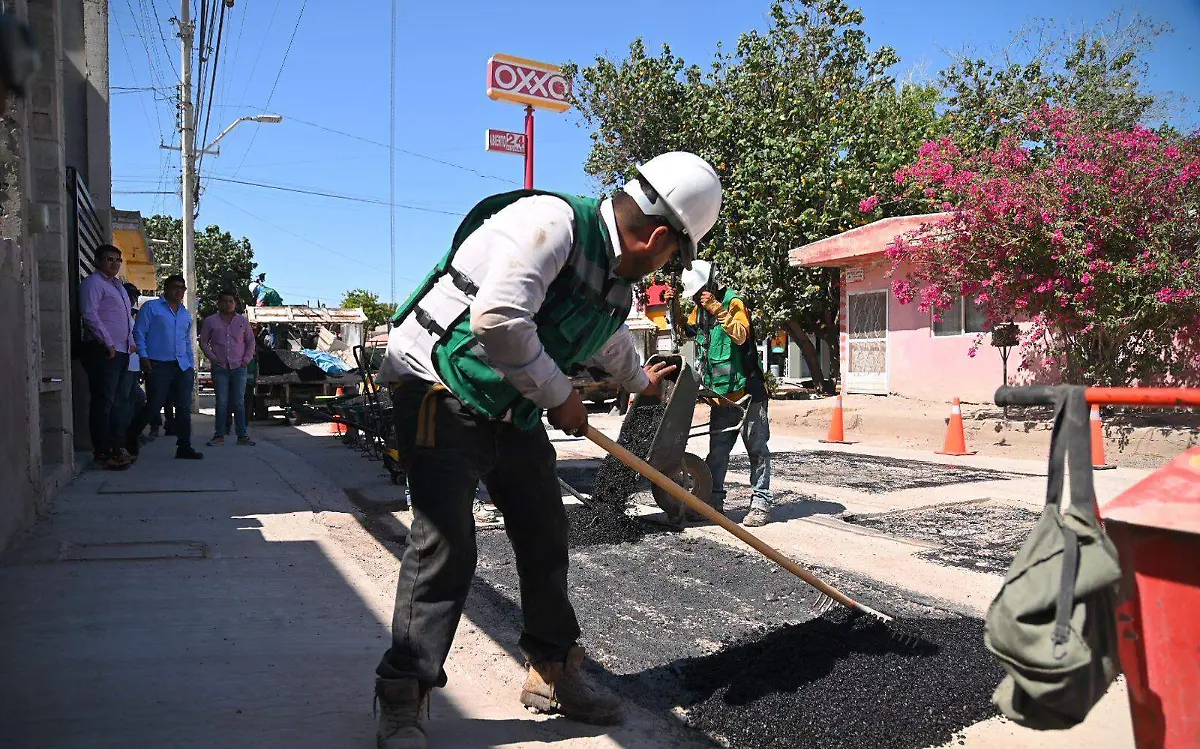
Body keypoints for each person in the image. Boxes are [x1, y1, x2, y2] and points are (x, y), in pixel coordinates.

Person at [373, 151, 722, 748]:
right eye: (673, 255)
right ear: (659, 236)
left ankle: (553, 670)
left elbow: (604, 333)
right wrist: (562, 397)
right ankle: (404, 693)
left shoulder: (614, 279)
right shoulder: (551, 225)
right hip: (437, 387)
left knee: (544, 530)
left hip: (507, 402)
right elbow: (498, 319)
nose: (666, 267)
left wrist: (641, 384)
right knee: (447, 542)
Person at [665, 260, 774, 527]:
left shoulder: (733, 302)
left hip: (746, 394)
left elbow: (740, 336)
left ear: (711, 283)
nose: (696, 298)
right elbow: (685, 332)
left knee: (757, 450)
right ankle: (714, 503)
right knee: (717, 454)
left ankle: (760, 502)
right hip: (720, 397)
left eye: (698, 292)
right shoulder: (699, 310)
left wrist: (717, 307)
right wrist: (674, 306)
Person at [134, 274, 203, 460]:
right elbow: (139, 333)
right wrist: (143, 356)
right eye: (175, 287)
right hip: (158, 365)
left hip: (182, 366)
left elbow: (186, 341)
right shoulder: (152, 308)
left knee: (184, 408)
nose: (179, 291)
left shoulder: (185, 313)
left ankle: (184, 446)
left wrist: (190, 365)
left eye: (182, 288)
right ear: (166, 288)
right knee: (154, 405)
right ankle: (129, 438)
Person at [79, 245, 135, 471]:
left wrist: (130, 342)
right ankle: (103, 451)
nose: (114, 263)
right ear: (97, 261)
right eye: (109, 259)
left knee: (118, 404)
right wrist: (108, 343)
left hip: (122, 352)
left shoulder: (118, 286)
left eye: (117, 260)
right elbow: (89, 314)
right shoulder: (93, 283)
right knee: (104, 403)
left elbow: (125, 318)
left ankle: (117, 448)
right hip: (103, 351)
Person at [199, 290, 256, 447]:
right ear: (219, 303)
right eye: (224, 301)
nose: (227, 304)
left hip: (239, 367)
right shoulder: (211, 321)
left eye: (230, 301)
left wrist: (246, 360)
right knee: (222, 402)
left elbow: (250, 342)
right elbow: (203, 341)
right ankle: (219, 436)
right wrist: (213, 358)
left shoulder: (243, 321)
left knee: (238, 401)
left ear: (235, 303)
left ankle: (242, 436)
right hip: (220, 367)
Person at [116, 282, 147, 459]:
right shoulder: (118, 315)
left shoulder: (136, 316)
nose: (131, 299)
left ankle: (131, 434)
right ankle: (123, 440)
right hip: (123, 365)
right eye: (128, 295)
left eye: (133, 296)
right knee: (124, 403)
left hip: (135, 365)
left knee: (137, 400)